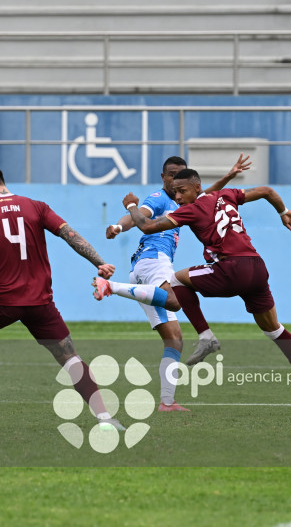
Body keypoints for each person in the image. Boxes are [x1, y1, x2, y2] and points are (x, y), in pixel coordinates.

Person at [96, 167, 291, 415]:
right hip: (257, 268)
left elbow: (147, 226)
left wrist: (131, 205)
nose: (178, 198)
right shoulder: (226, 196)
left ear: (197, 187)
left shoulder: (191, 209)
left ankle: (206, 336)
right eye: (175, 193)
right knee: (274, 329)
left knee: (175, 280)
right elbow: (267, 191)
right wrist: (283, 212)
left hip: (231, 268)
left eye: (182, 191)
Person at [0, 165, 123, 430]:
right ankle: (105, 418)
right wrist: (100, 262)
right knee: (70, 357)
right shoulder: (36, 206)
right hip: (41, 302)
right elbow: (69, 234)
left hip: (3, 301)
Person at [98, 155, 251, 412]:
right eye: (171, 174)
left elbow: (207, 194)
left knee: (174, 340)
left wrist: (229, 176)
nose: (175, 179)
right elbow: (141, 215)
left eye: (180, 175)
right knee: (177, 299)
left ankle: (167, 403)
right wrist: (118, 225)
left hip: (147, 266)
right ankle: (110, 287)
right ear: (163, 177)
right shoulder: (159, 198)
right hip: (153, 260)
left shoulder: (184, 199)